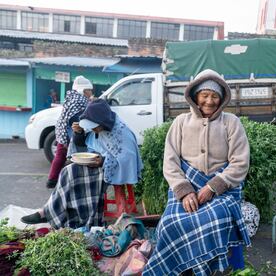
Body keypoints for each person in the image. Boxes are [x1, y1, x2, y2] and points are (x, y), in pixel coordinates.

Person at [143, 69, 251, 275]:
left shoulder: (231, 122)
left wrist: (213, 187)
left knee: (215, 219)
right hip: (186, 187)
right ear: (195, 97)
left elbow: (240, 163)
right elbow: (170, 161)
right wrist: (184, 191)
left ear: (221, 99)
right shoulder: (181, 122)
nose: (209, 101)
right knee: (169, 223)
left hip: (223, 190)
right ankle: (181, 268)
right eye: (205, 95)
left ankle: (204, 268)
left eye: (215, 96)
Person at [21, 99, 143, 229]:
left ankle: (49, 212)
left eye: (94, 126)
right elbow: (83, 144)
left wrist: (103, 161)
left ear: (103, 121)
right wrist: (79, 132)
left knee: (70, 173)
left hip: (113, 170)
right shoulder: (99, 126)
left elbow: (127, 159)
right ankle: (51, 211)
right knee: (67, 171)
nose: (93, 130)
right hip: (97, 164)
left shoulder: (122, 133)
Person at [46, 76, 93, 189]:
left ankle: (52, 180)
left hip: (61, 130)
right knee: (71, 157)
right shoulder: (80, 100)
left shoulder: (72, 97)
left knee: (60, 155)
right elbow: (75, 120)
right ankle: (61, 182)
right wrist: (73, 138)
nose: (91, 93)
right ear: (84, 90)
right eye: (89, 90)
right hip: (68, 133)